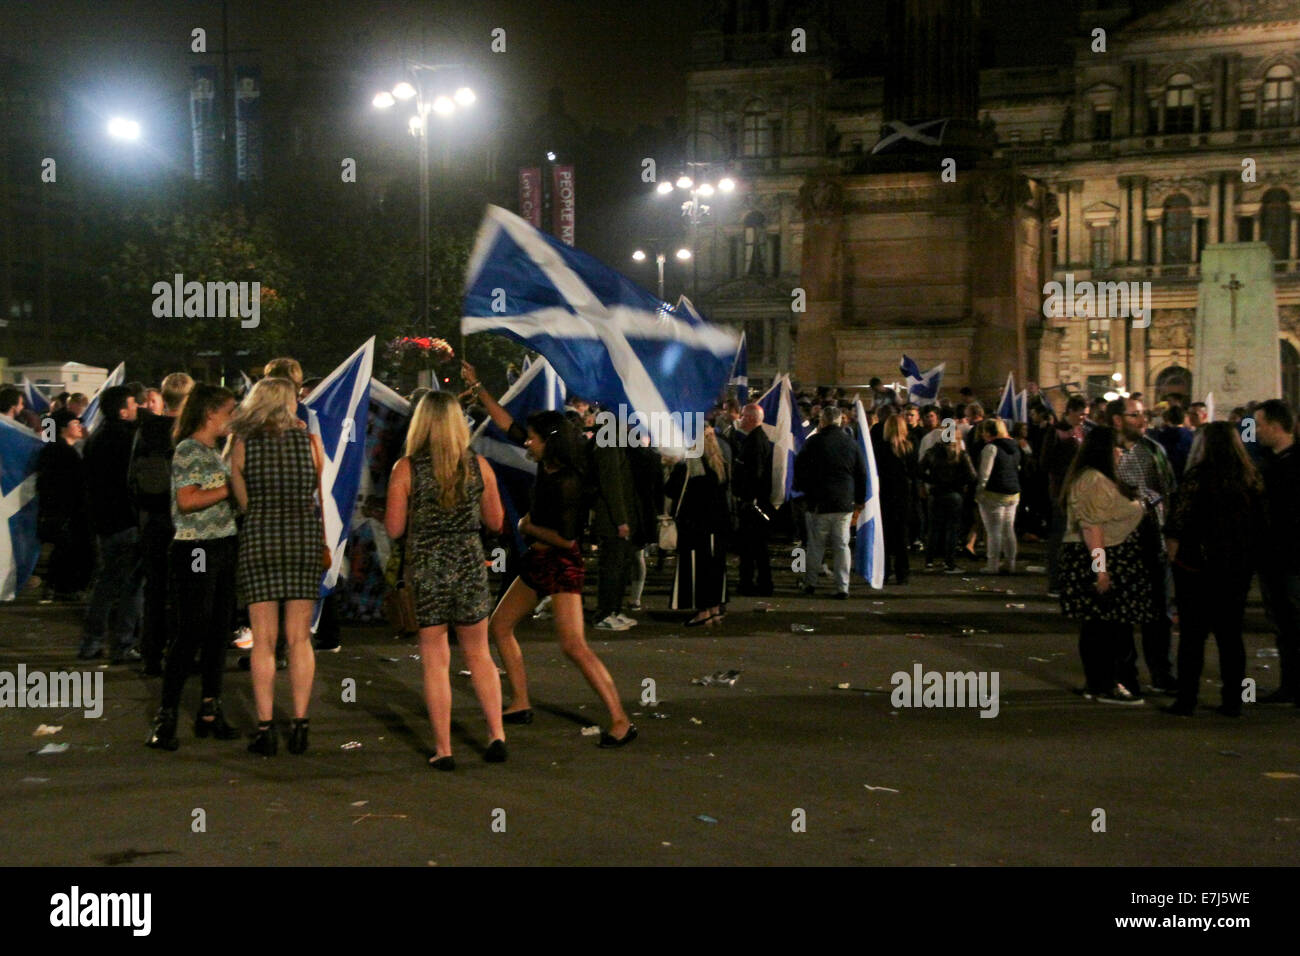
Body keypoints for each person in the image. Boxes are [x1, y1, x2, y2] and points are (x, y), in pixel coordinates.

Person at [464, 362, 636, 748]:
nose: (527, 443)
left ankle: (621, 719)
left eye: (533, 439)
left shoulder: (568, 483)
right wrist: (478, 387)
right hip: (537, 564)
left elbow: (567, 540)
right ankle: (520, 701)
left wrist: (527, 527)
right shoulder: (548, 462)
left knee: (573, 646)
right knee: (500, 626)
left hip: (561, 565)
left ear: (549, 442)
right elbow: (508, 425)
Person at [384, 391, 508, 769]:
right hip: (469, 561)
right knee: (480, 654)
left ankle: (444, 749)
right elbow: (496, 522)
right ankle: (497, 733)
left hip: (427, 566)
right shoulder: (479, 466)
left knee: (436, 659)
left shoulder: (405, 469)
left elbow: (394, 528)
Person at [229, 378, 327, 756]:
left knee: (264, 641)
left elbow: (243, 503)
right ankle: (301, 725)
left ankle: (266, 727)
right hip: (303, 540)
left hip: (260, 541)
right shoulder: (311, 443)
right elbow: (317, 496)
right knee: (300, 638)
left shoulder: (242, 445)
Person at [146, 384, 241, 750]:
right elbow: (187, 501)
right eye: (229, 411)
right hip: (196, 548)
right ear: (209, 414)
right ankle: (166, 712)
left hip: (221, 544)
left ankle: (209, 708)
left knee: (219, 630)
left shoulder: (213, 451)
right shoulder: (188, 450)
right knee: (190, 631)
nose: (232, 418)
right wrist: (230, 489)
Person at [1160, 423, 1265, 717]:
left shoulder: (1198, 477)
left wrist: (1173, 556)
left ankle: (1187, 698)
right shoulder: (1249, 476)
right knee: (1231, 636)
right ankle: (1235, 699)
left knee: (1193, 637)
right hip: (1235, 567)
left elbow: (1177, 522)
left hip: (1197, 566)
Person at [1058, 426, 1153, 704]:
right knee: (1106, 627)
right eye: (1118, 447)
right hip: (1100, 555)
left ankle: (1099, 681)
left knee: (1100, 626)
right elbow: (1091, 527)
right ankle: (1105, 683)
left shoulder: (1100, 478)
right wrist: (1100, 569)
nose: (1121, 453)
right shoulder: (1094, 480)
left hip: (1108, 554)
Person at [1109, 396, 1177, 694]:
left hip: (1153, 541)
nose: (1142, 420)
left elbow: (1169, 494)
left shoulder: (1154, 450)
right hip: (1118, 544)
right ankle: (1126, 675)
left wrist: (1171, 533)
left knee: (1159, 613)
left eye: (1142, 414)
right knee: (1121, 615)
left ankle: (1161, 672)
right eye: (1135, 415)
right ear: (1117, 419)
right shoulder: (1105, 451)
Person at [130, 372, 194, 676]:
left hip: (153, 519)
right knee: (186, 590)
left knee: (155, 589)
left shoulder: (145, 430)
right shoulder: (191, 432)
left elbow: (132, 477)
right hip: (187, 523)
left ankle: (151, 655)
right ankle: (183, 653)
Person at [79, 386, 143, 662]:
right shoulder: (128, 439)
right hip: (127, 521)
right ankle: (123, 644)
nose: (137, 408)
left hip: (104, 522)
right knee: (131, 587)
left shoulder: (95, 438)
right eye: (133, 404)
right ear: (122, 410)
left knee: (105, 584)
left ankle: (91, 642)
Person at [793, 405, 866, 597]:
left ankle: (810, 583)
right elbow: (861, 473)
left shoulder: (813, 443)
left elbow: (800, 469)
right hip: (844, 502)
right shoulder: (851, 443)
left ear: (822, 421)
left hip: (818, 502)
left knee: (816, 545)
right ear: (840, 421)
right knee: (842, 545)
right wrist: (859, 501)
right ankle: (843, 586)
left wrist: (801, 491)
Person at [1255, 399, 1300, 705]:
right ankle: (1291, 685)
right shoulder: (1272, 462)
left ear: (1274, 425)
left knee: (1294, 623)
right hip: (1277, 557)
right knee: (1285, 625)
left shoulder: (1291, 464)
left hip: (1291, 557)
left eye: (1258, 425)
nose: (1255, 431)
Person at [667, 429, 731, 623]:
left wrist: (672, 465)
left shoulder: (690, 464)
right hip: (717, 524)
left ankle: (703, 611)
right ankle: (714, 608)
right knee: (715, 566)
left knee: (698, 567)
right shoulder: (720, 462)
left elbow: (670, 489)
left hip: (695, 524)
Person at [35, 410, 94, 599]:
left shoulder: (58, 450)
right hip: (66, 511)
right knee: (68, 549)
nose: (79, 427)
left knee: (63, 550)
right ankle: (63, 587)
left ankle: (56, 586)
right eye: (75, 423)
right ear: (62, 428)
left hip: (61, 511)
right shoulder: (63, 453)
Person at [590, 430, 640, 632]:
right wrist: (620, 519)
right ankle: (605, 613)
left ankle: (614, 611)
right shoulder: (608, 445)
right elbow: (612, 484)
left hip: (618, 517)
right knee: (612, 567)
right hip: (612, 520)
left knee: (620, 566)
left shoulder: (614, 443)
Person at [1041, 395, 1087, 596]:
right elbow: (1045, 462)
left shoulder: (1081, 431)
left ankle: (1074, 578)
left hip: (1080, 490)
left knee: (1078, 537)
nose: (1083, 418)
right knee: (1059, 536)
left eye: (1086, 415)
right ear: (1070, 411)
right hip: (1061, 491)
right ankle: (1056, 581)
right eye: (1081, 414)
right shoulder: (1056, 432)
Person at [732, 403, 774, 596]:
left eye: (742, 415)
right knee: (756, 547)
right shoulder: (756, 439)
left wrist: (747, 498)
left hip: (752, 504)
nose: (739, 419)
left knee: (751, 546)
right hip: (755, 501)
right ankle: (759, 582)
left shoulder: (755, 442)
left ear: (749, 418)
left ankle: (751, 582)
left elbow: (754, 474)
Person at [920, 429, 976, 572]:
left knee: (933, 528)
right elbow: (972, 476)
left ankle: (929, 561)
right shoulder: (961, 454)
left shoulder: (932, 453)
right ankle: (949, 562)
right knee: (952, 529)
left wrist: (932, 480)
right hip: (954, 494)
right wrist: (958, 483)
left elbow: (918, 470)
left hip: (935, 493)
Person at [975, 418, 1021, 575]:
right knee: (1009, 529)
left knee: (993, 531)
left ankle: (992, 565)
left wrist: (979, 491)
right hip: (1013, 492)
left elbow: (985, 473)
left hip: (994, 493)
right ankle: (1010, 563)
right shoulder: (1014, 446)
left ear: (988, 432)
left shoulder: (991, 448)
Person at [876, 415, 917, 584]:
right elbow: (915, 472)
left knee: (884, 535)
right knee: (901, 535)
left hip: (885, 494)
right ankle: (903, 573)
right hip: (903, 494)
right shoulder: (909, 447)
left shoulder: (880, 448)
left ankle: (883, 572)